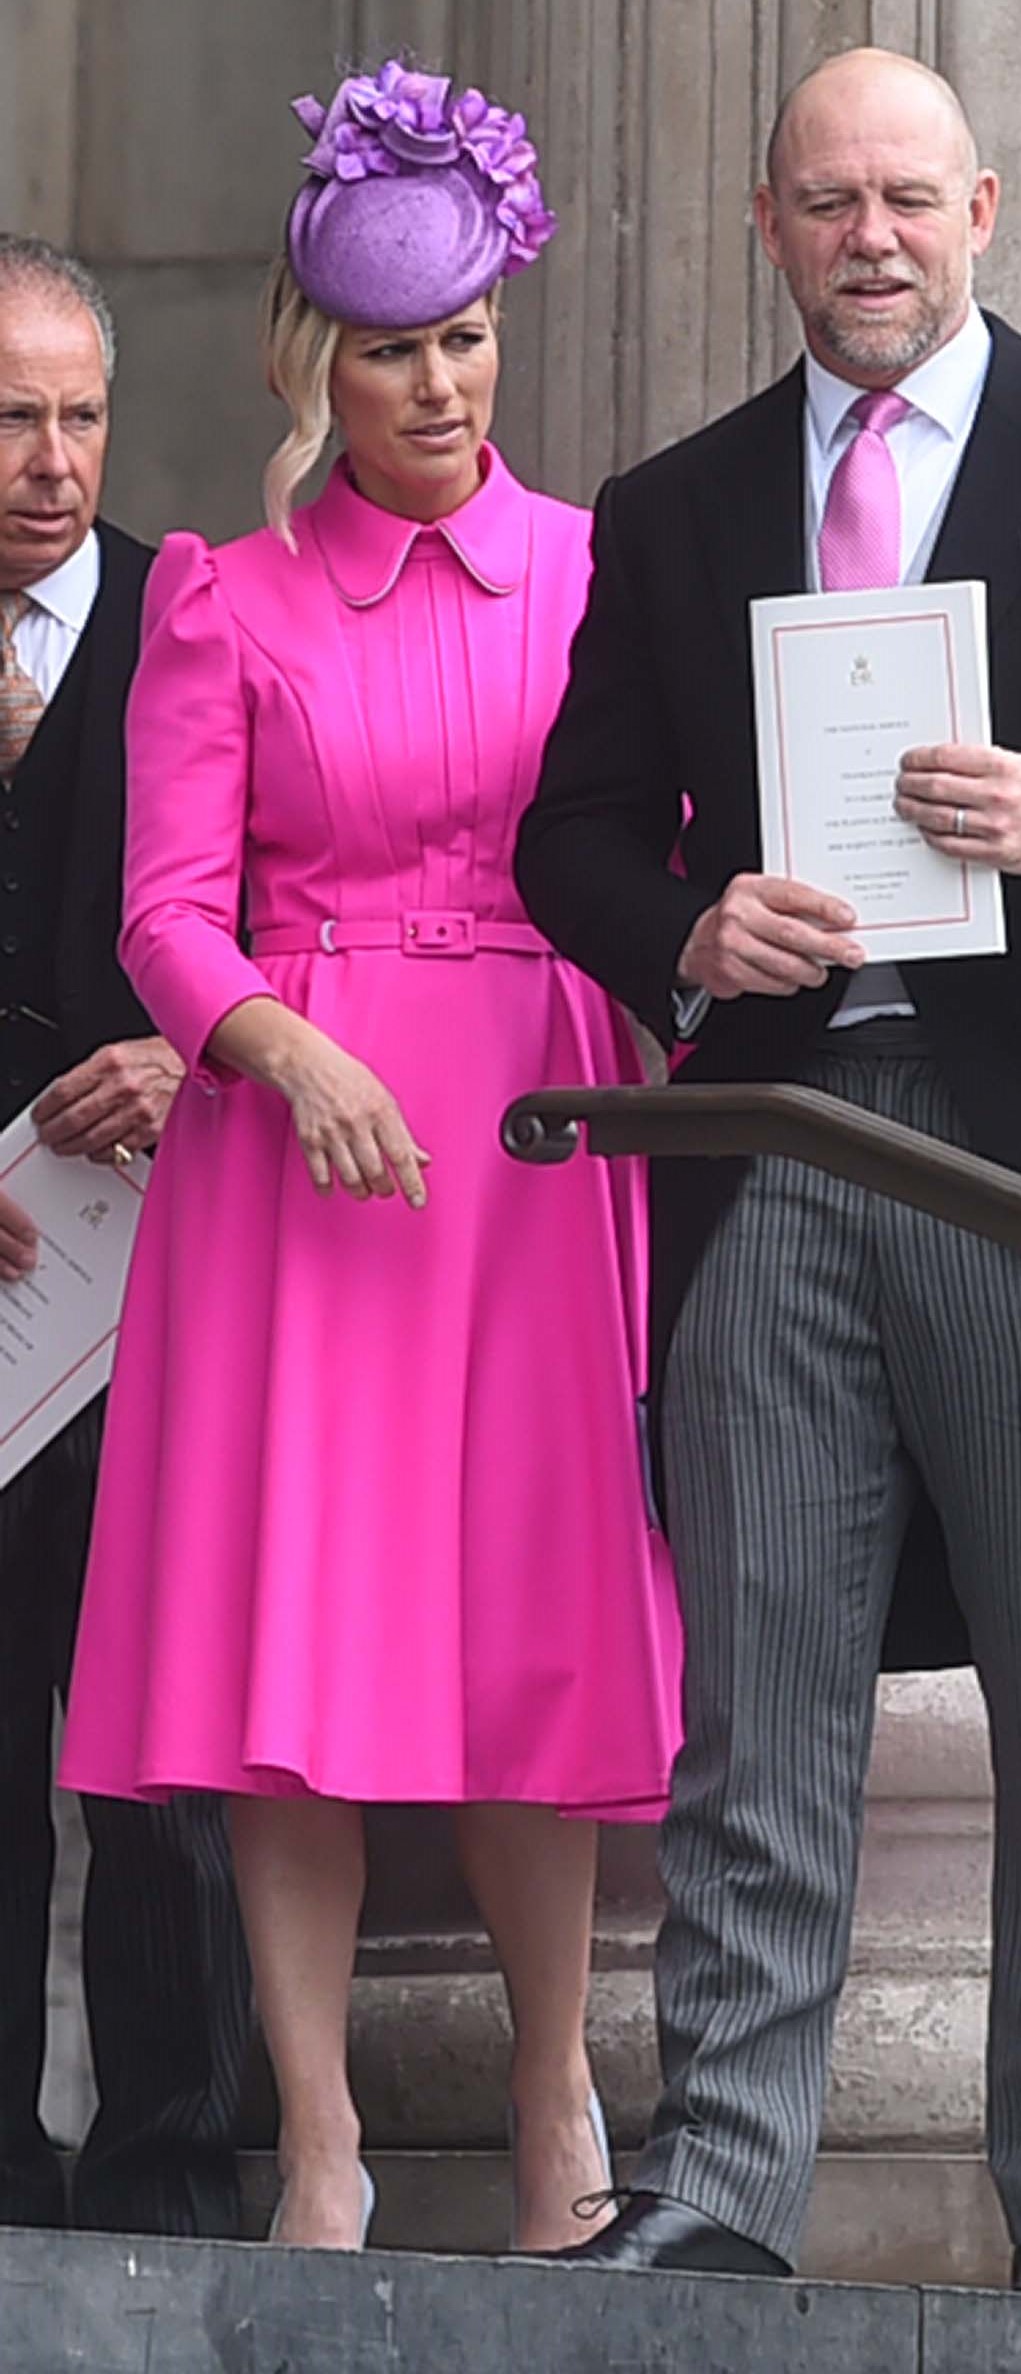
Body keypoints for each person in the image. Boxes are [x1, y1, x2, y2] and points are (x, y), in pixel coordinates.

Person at [514, 48, 1021, 2291]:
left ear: (979, 207)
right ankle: (714, 2189)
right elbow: (570, 830)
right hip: (772, 1146)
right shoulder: (673, 503)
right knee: (757, 1692)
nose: (866, 236)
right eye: (824, 201)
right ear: (768, 224)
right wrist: (682, 928)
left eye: (904, 196)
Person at [58, 61, 680, 2253]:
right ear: (323, 362)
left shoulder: (604, 575)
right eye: (396, 348)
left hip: (523, 1133)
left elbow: (655, 852)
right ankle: (317, 2133)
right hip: (293, 1149)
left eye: (467, 334)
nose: (439, 380)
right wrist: (267, 1044)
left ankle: (547, 2109)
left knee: (527, 1627)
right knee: (294, 1648)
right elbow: (159, 898)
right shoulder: (224, 595)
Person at [0, 234, 251, 2237]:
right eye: (10, 416)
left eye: (81, 414)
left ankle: (174, 2160)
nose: (52, 459)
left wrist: (199, 1066)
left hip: (157, 1267)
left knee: (159, 1729)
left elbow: (287, 893)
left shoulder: (196, 610)